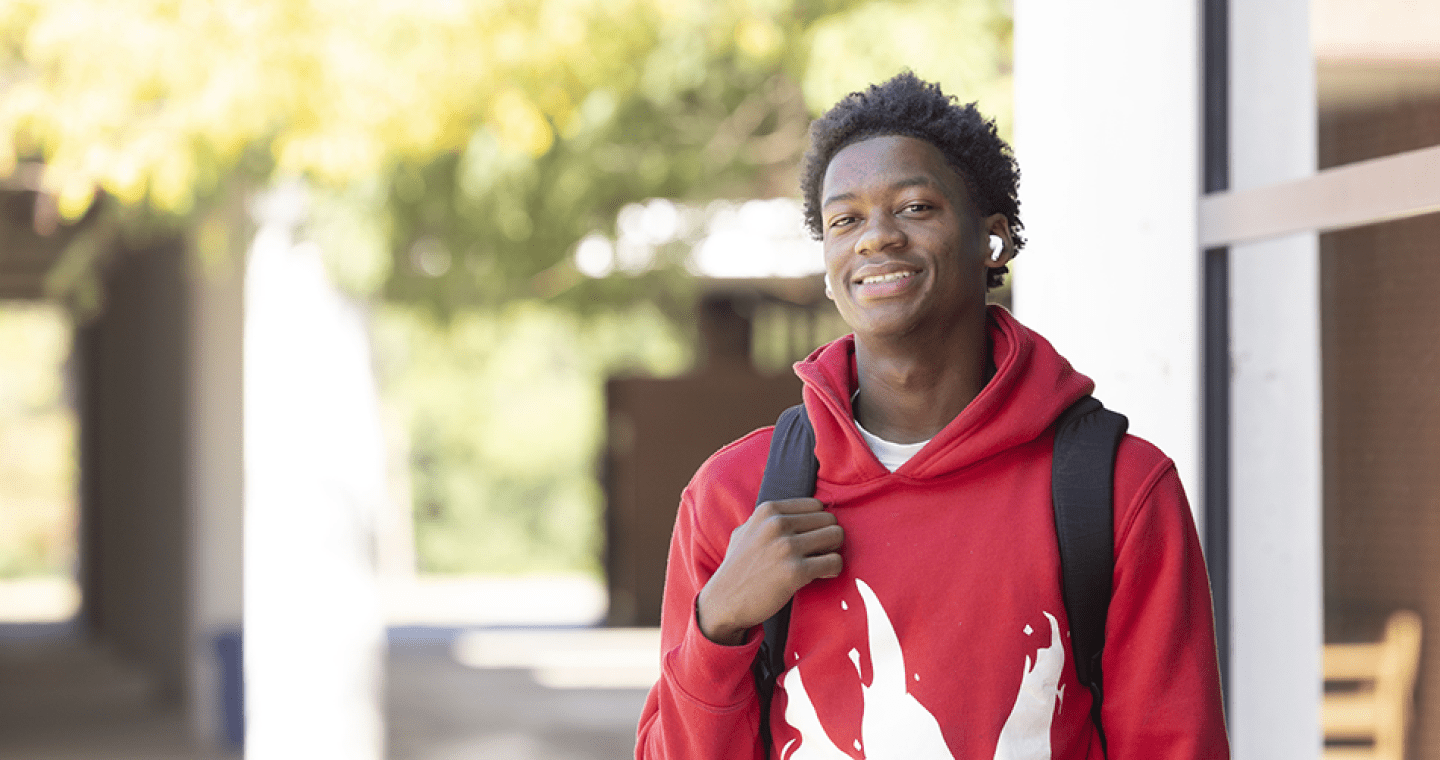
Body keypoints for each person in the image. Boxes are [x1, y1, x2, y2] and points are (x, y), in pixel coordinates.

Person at [635, 71, 1229, 759]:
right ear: (827, 266)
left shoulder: (1116, 489)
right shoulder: (737, 494)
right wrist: (719, 624)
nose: (875, 238)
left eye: (915, 207)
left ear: (992, 239)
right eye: (844, 219)